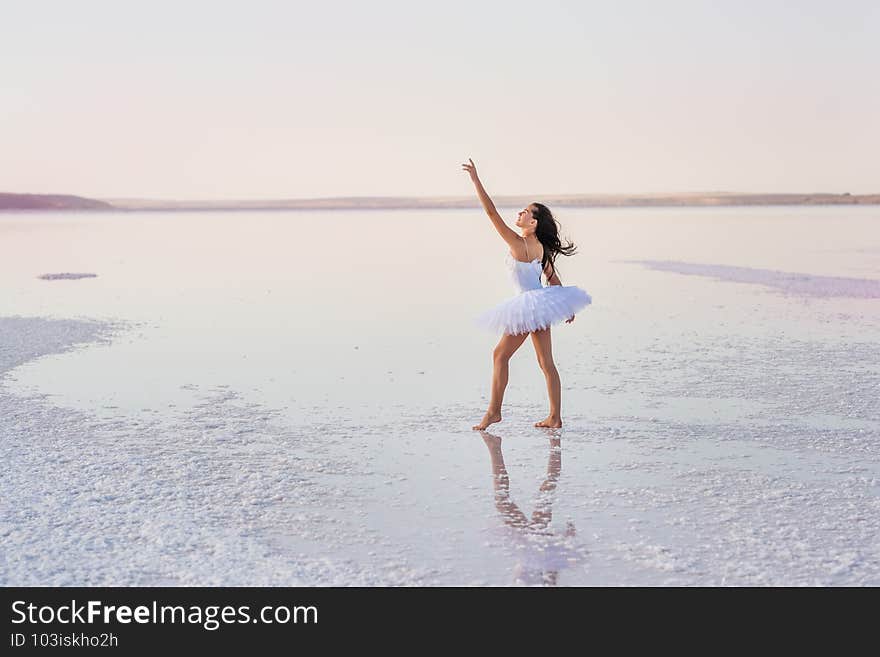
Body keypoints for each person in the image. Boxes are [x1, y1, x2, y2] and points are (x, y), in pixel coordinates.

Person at [462, 158, 591, 430]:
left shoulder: (518, 242)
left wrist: (476, 180)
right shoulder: (541, 248)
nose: (519, 214)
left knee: (500, 355)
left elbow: (491, 214)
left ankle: (494, 412)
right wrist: (564, 307)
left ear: (533, 222)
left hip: (527, 306)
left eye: (525, 212)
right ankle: (555, 416)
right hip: (542, 303)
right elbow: (552, 279)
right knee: (546, 363)